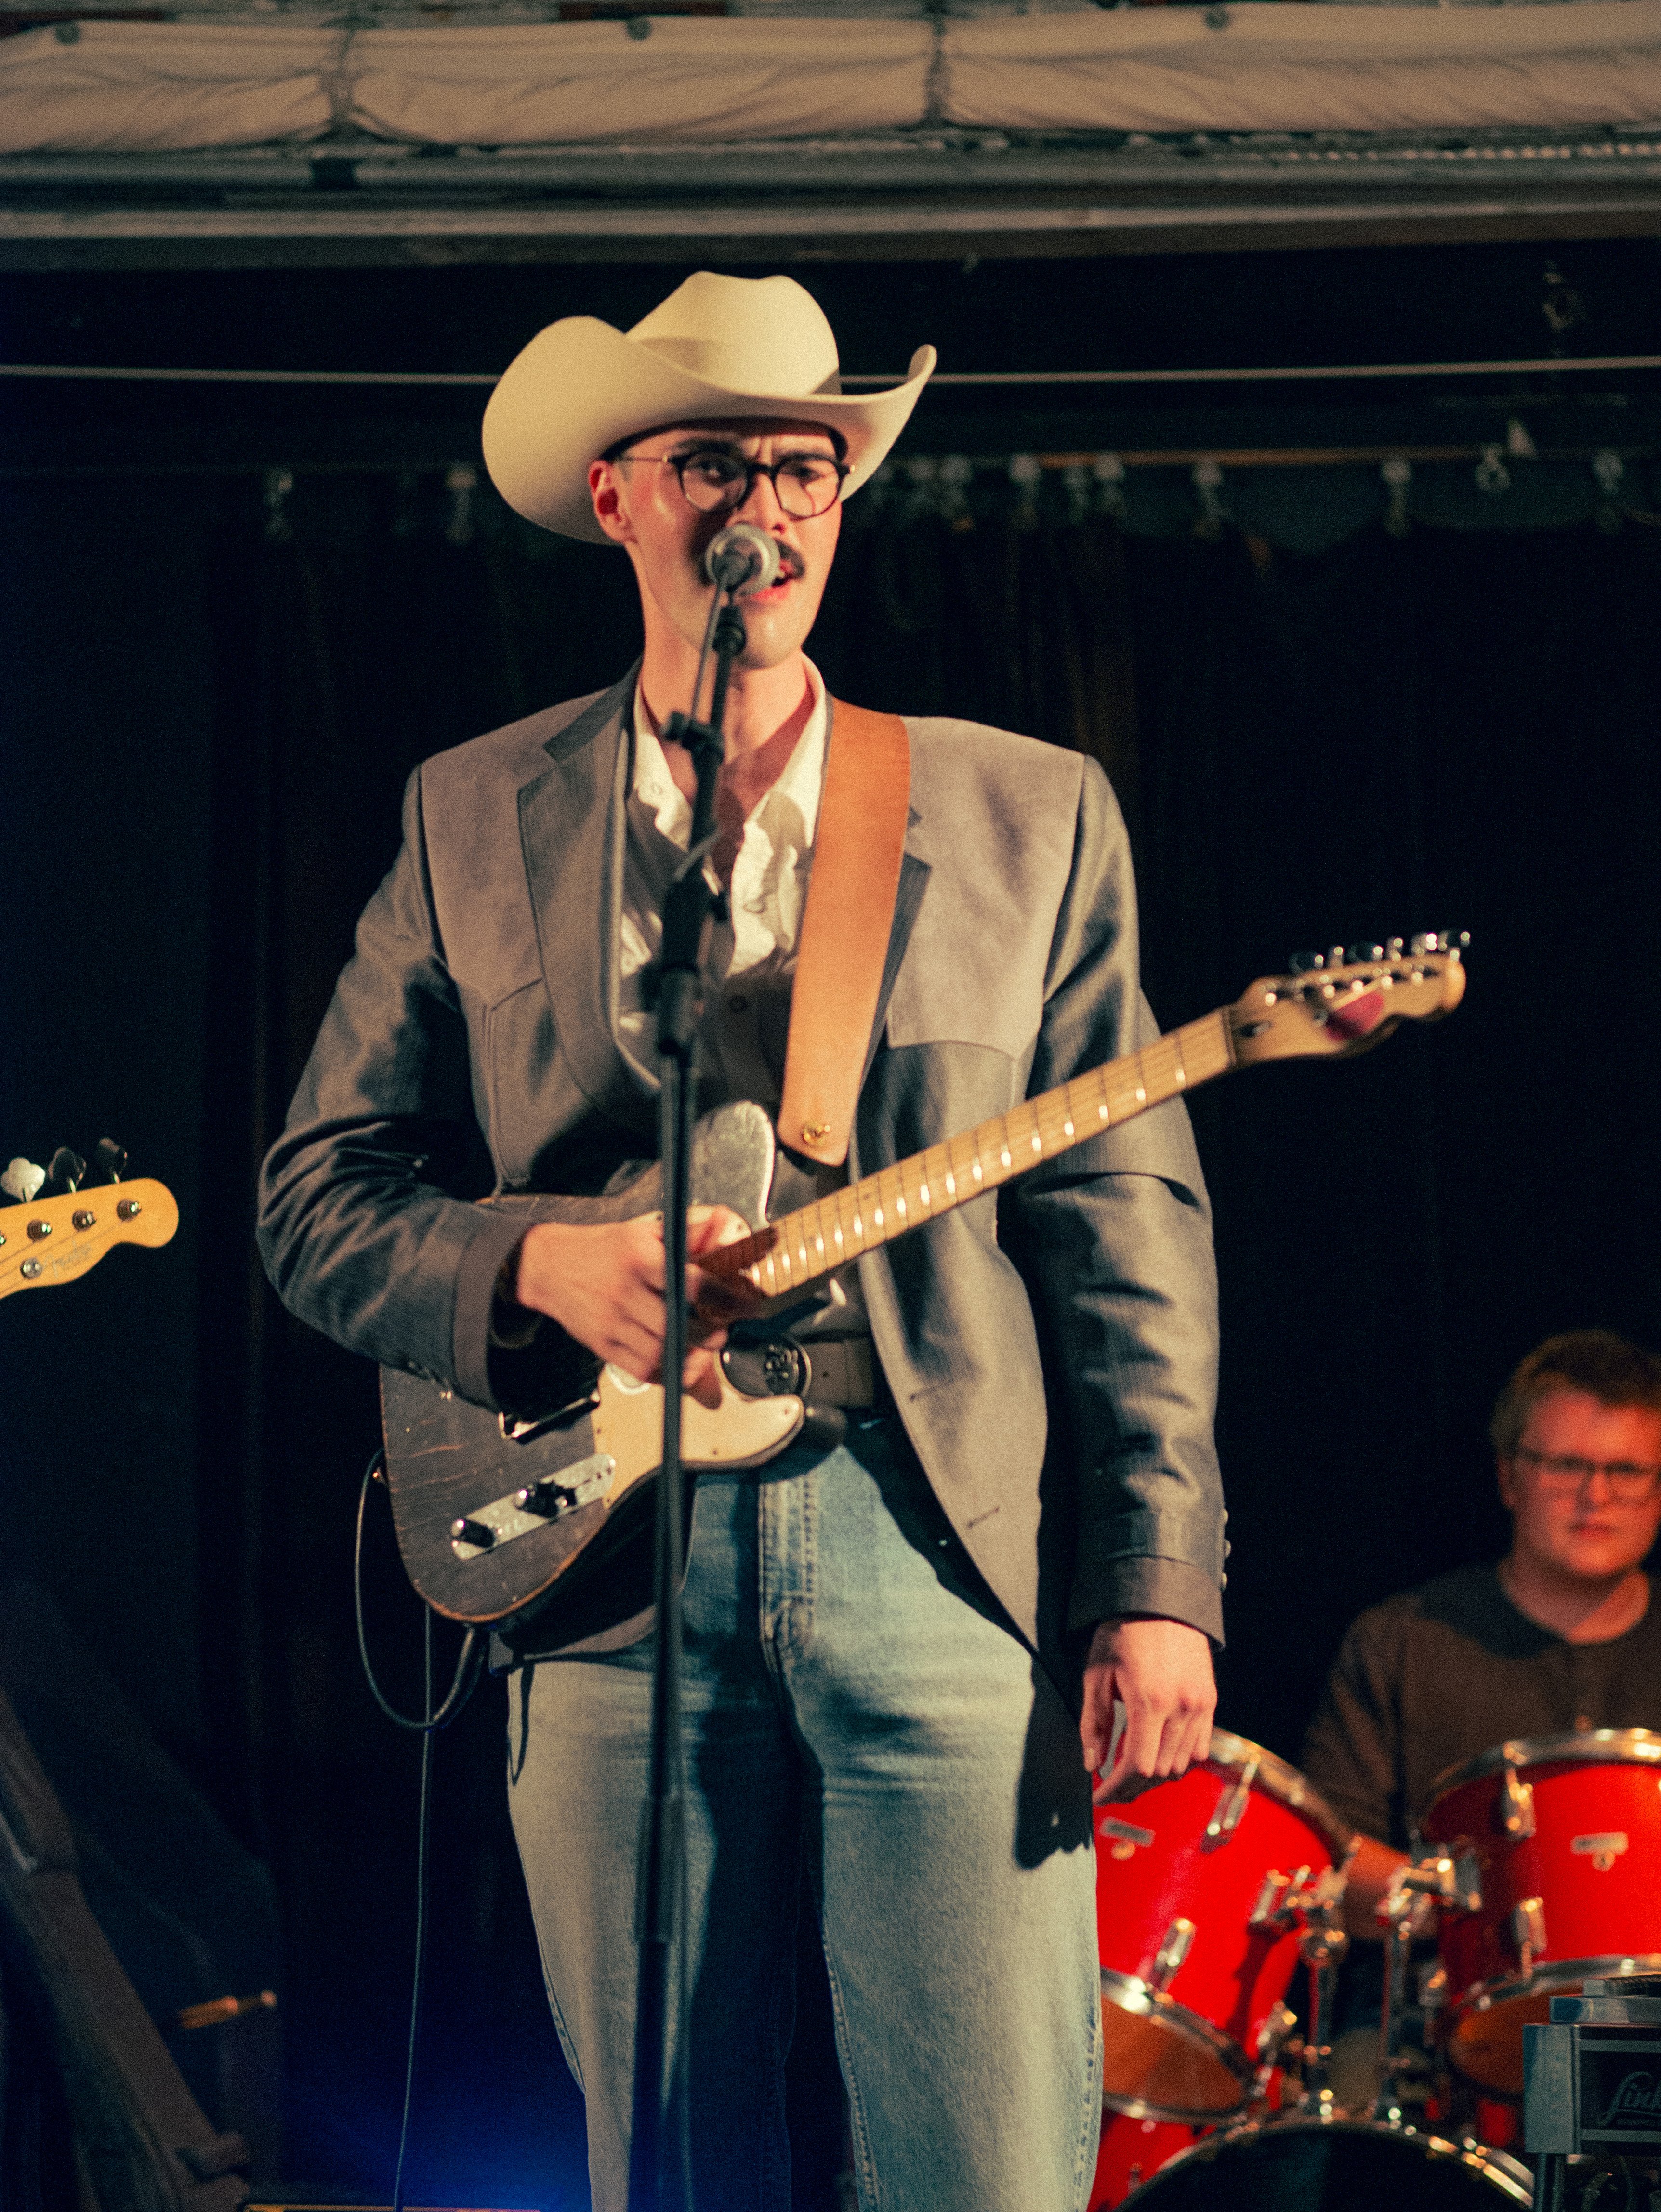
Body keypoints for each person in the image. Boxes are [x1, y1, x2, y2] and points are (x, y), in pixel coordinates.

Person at [257, 271, 1226, 2212]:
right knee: (664, 2167)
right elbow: (316, 1197)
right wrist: (536, 1265)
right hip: (605, 1563)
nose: (760, 504)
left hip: (932, 1542)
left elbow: (1127, 1219)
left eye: (804, 464)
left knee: (987, 2163)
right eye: (714, 461)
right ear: (618, 497)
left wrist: (1157, 1576)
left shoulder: (1028, 814)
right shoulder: (470, 809)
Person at [1302, 1328, 1661, 1942]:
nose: (1595, 1495)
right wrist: (1486, 1908)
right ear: (1508, 1476)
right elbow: (1327, 1853)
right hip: (1442, 2009)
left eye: (1626, 1469)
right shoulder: (1401, 1640)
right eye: (1566, 1464)